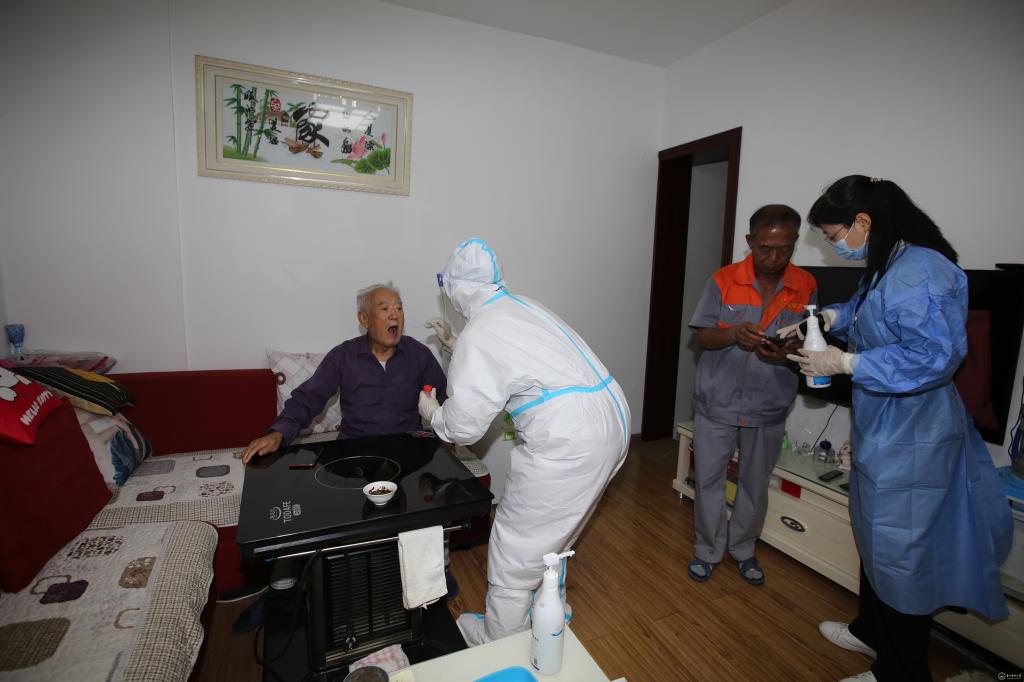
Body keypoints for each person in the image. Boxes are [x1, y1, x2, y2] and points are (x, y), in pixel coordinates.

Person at [783, 175, 1012, 682]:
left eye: (833, 235)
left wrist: (847, 362)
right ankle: (871, 631)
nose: (833, 246)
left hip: (915, 435)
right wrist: (825, 320)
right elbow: (867, 311)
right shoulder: (890, 262)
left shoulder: (924, 271)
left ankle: (900, 671)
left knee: (902, 555)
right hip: (884, 425)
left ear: (863, 221)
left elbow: (933, 357)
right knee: (875, 538)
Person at [417, 238, 630, 646]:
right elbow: (518, 357)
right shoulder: (519, 306)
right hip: (610, 421)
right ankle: (548, 611)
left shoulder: (482, 331)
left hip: (570, 440)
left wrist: (433, 413)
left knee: (515, 545)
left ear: (456, 288)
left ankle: (500, 640)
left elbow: (463, 427)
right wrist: (457, 346)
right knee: (556, 531)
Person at [686, 204, 816, 586]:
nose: (774, 257)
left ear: (794, 244)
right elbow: (700, 336)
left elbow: (809, 341)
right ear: (750, 242)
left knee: (755, 484)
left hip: (769, 403)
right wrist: (732, 333)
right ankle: (708, 550)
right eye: (765, 248)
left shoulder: (806, 284)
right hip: (717, 402)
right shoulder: (723, 280)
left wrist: (785, 355)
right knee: (708, 480)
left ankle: (743, 548)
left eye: (784, 249)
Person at [241, 284, 446, 463]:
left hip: (408, 450)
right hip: (355, 452)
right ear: (364, 319)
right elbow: (308, 399)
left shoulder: (419, 354)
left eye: (399, 308)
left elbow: (445, 400)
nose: (395, 315)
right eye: (385, 309)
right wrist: (278, 433)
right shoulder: (343, 356)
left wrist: (452, 435)